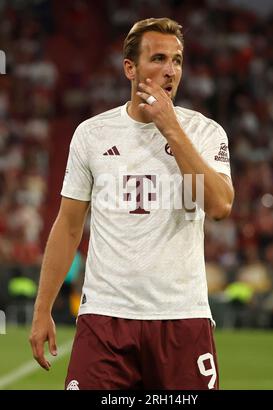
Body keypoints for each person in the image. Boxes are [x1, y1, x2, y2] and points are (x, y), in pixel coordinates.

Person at [29, 17, 234, 390]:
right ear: (130, 68)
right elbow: (69, 226)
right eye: (158, 58)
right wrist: (42, 309)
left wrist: (171, 127)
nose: (170, 70)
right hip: (105, 318)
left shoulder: (205, 132)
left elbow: (220, 206)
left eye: (177, 60)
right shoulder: (92, 135)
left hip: (181, 316)